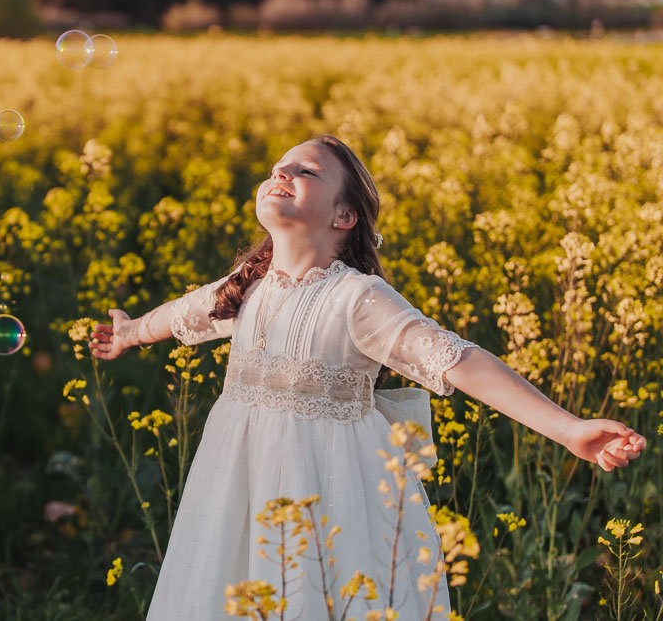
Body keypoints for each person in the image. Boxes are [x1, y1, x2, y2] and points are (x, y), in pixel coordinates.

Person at [88, 135, 647, 620]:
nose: (281, 173)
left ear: (343, 217)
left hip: (331, 487)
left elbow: (458, 359)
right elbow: (182, 314)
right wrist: (131, 331)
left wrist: (568, 428)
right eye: (277, 167)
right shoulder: (248, 283)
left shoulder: (357, 296)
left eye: (305, 171)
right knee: (230, 582)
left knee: (318, 592)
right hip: (239, 475)